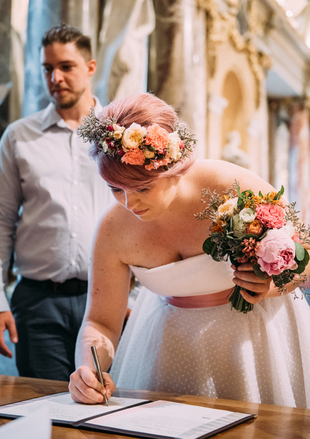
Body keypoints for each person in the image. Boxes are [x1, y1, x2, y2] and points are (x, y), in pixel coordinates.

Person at [68, 92, 310, 408]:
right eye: (115, 189)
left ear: (177, 168)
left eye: (143, 188)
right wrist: (89, 367)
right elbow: (101, 322)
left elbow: (304, 259)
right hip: (165, 348)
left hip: (255, 344)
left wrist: (273, 285)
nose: (129, 203)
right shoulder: (112, 229)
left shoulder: (232, 186)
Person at [0, 24, 113, 380]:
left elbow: (143, 216)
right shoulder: (19, 137)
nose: (55, 77)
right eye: (47, 69)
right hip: (38, 305)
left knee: (110, 414)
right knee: (47, 417)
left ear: (90, 67)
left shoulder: (120, 136)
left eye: (66, 66)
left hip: (109, 300)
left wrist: (135, 299)